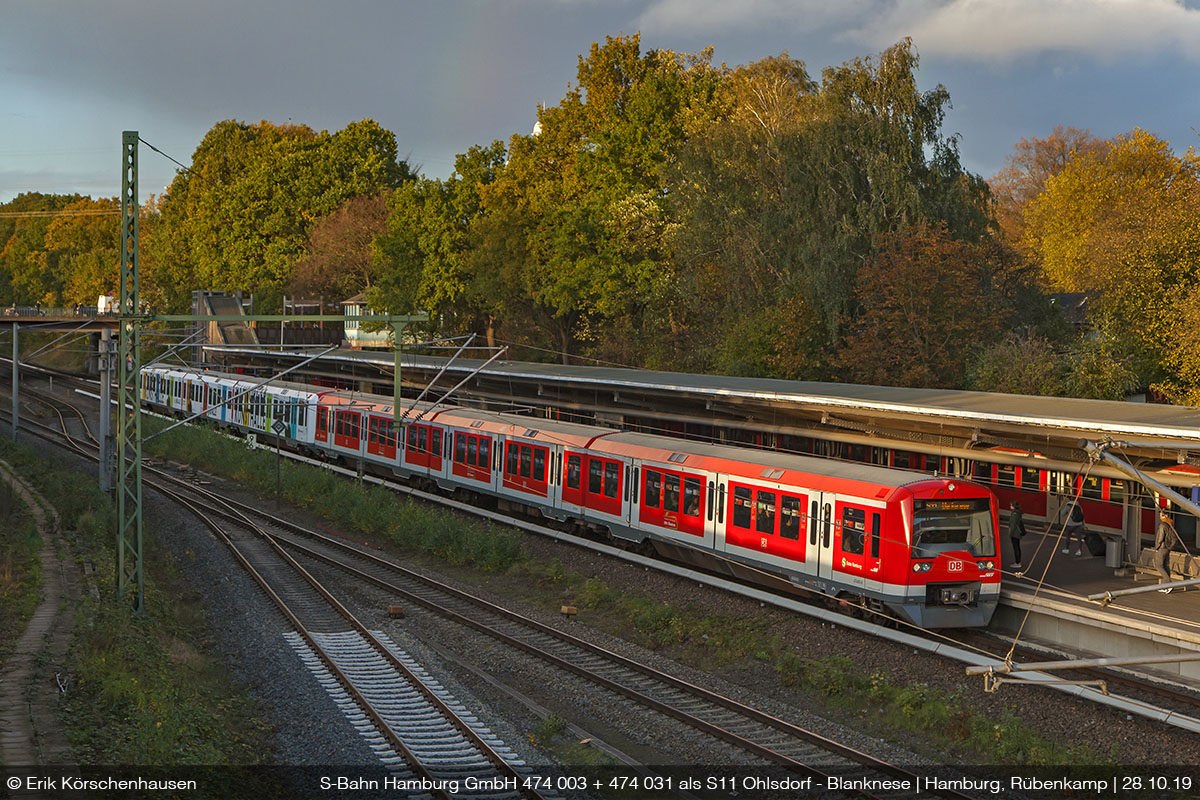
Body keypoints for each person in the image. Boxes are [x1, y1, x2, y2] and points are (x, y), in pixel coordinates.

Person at [1153, 510, 1182, 593]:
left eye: (1161, 515)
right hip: (1168, 548)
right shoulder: (1170, 524)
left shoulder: (1162, 525)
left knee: (1158, 566)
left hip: (1162, 548)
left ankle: (1169, 583)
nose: (1160, 517)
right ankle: (1166, 586)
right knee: (1165, 566)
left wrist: (1156, 547)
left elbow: (1160, 537)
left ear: (1165, 515)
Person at [1009, 500, 1026, 570]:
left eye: (1011, 505)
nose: (1010, 507)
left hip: (1015, 534)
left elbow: (1013, 525)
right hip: (1018, 533)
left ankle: (1017, 562)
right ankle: (1018, 561)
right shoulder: (1018, 513)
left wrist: (1010, 534)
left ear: (1013, 506)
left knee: (1016, 548)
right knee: (1017, 547)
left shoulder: (1014, 514)